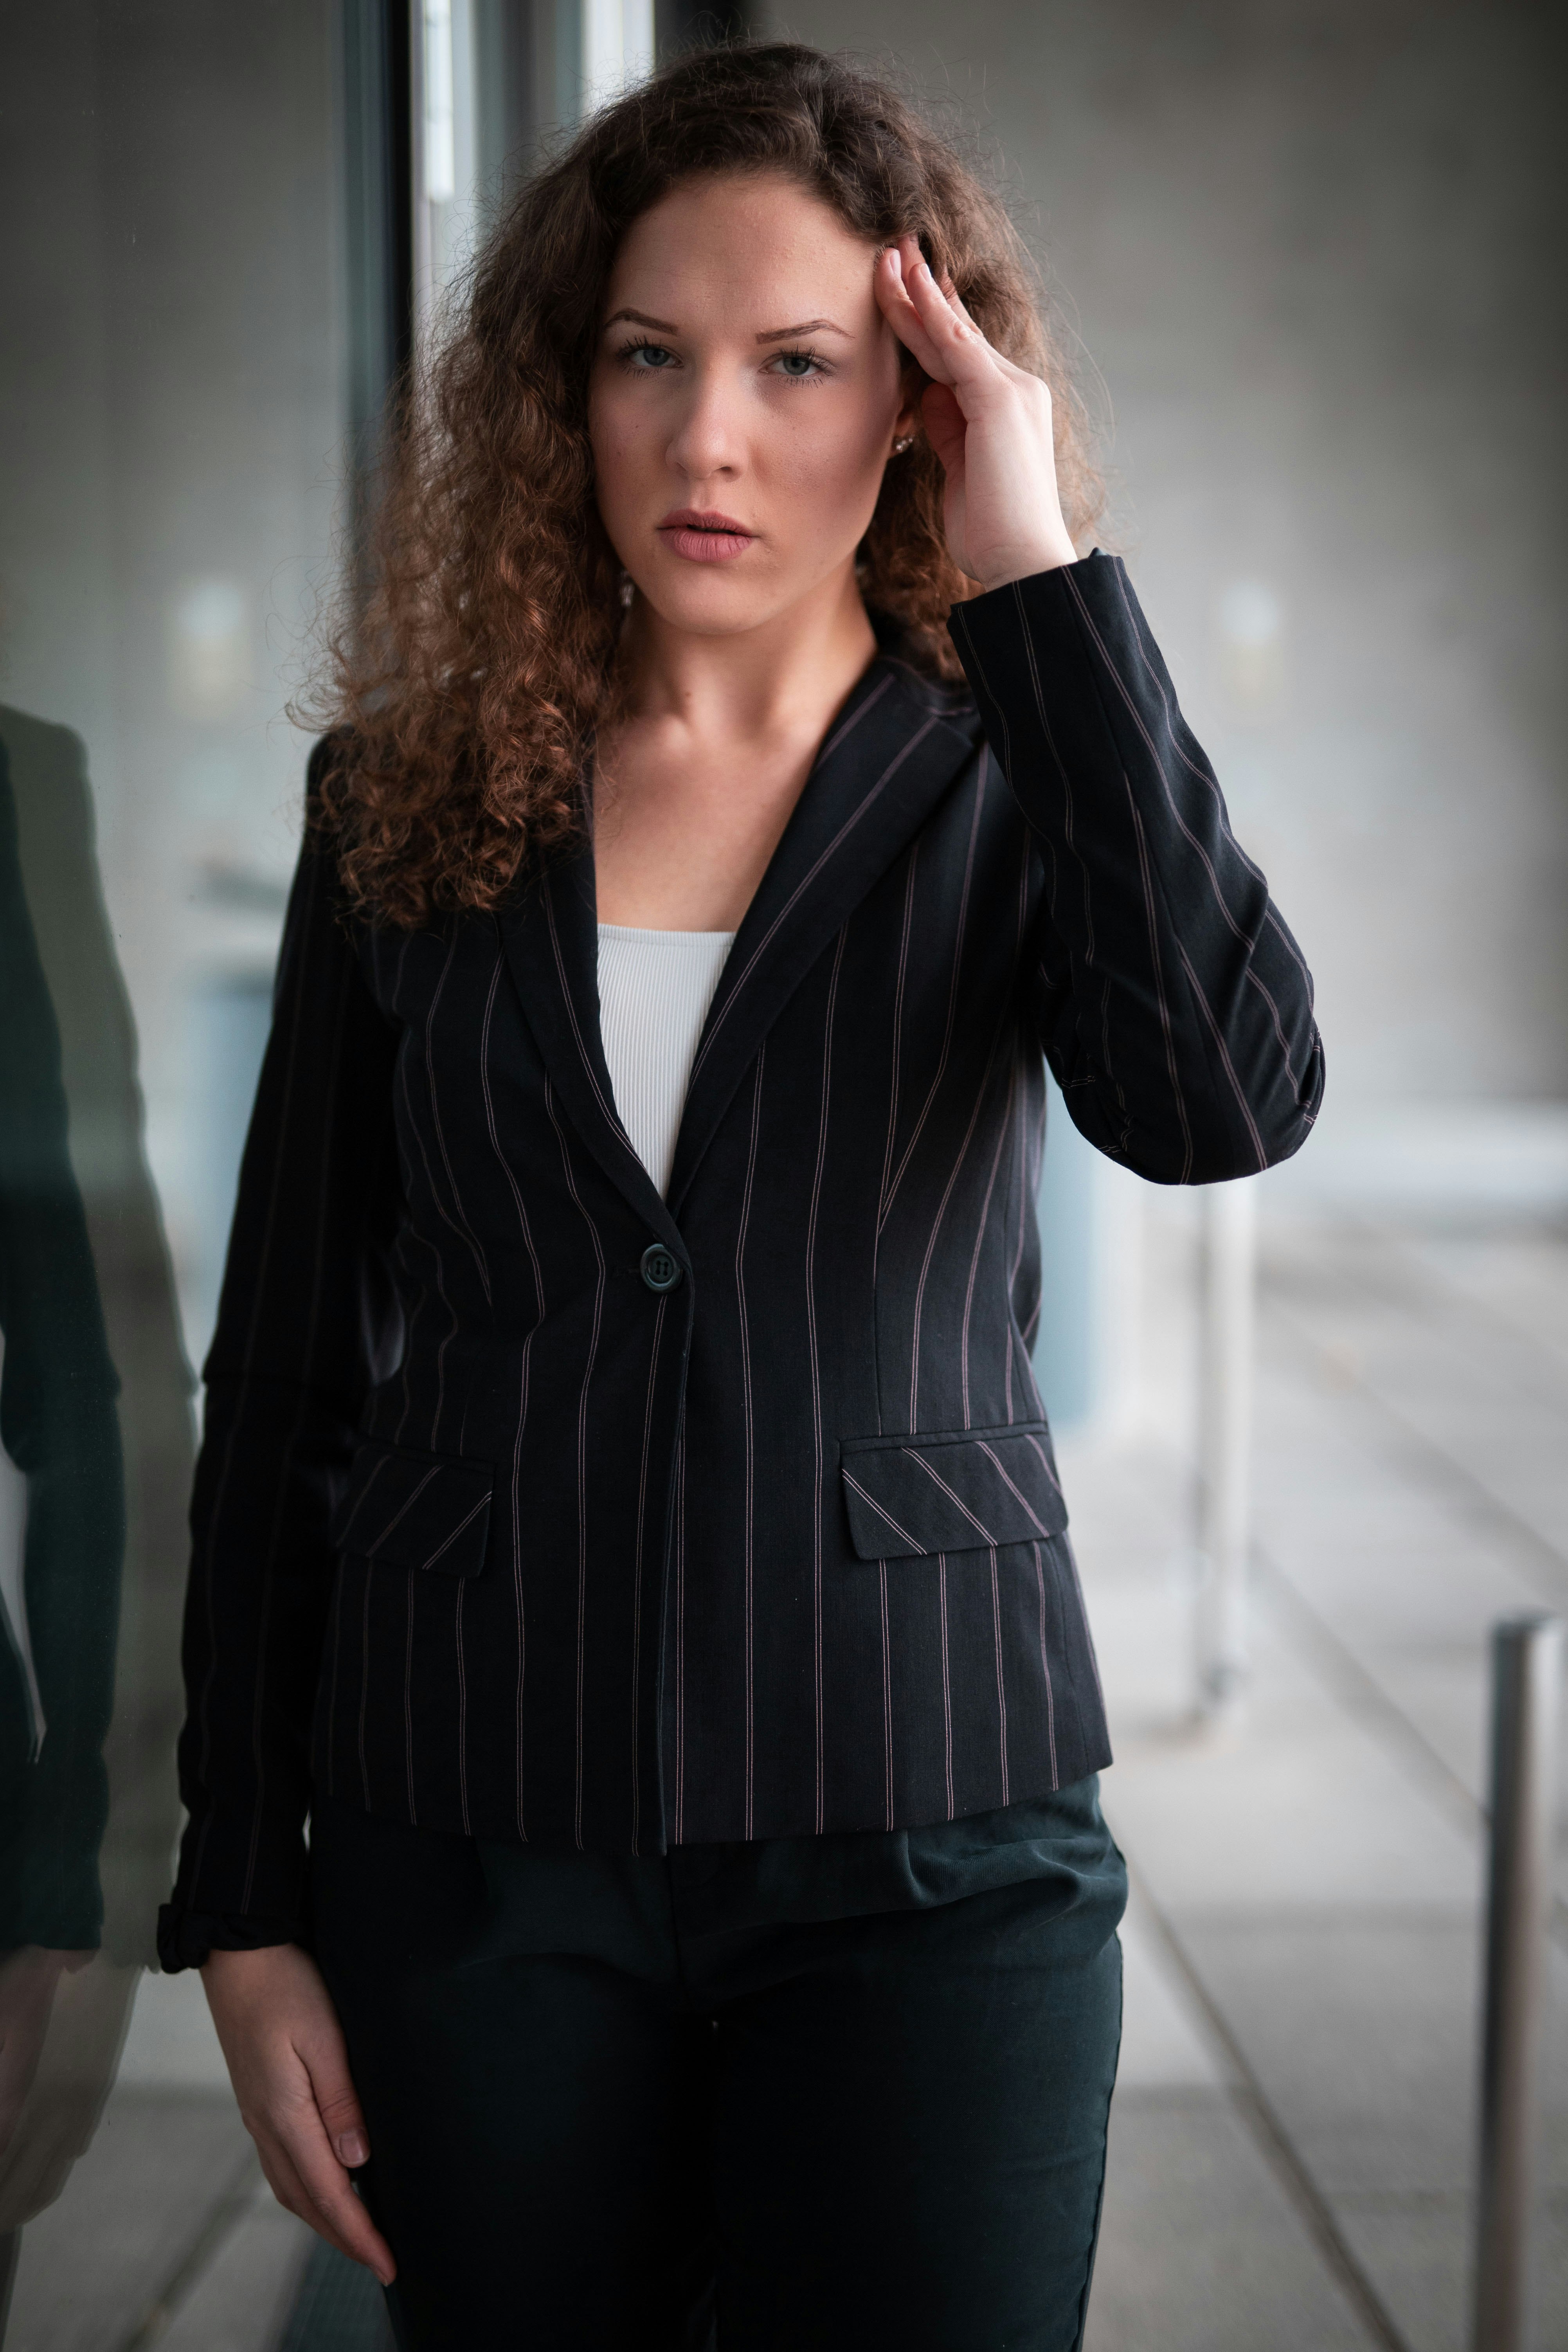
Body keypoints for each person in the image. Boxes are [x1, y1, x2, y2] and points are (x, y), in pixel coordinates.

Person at [158, 41, 1323, 2352]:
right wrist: (249, 1897)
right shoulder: (404, 801)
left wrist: (1037, 568)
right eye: (646, 358)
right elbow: (292, 1360)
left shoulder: (1018, 765)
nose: (708, 439)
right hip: (473, 1832)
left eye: (797, 367)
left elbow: (1217, 1101)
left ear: (910, 396)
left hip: (926, 1823)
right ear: (560, 393)